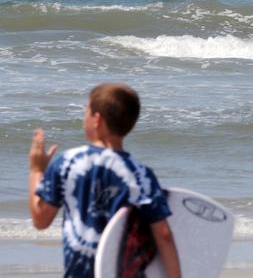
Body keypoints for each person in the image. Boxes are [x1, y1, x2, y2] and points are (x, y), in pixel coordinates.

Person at [28, 83, 181, 278]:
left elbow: (40, 219)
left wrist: (36, 170)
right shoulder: (141, 174)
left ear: (97, 119)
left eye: (86, 110)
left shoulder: (67, 163)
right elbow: (164, 234)